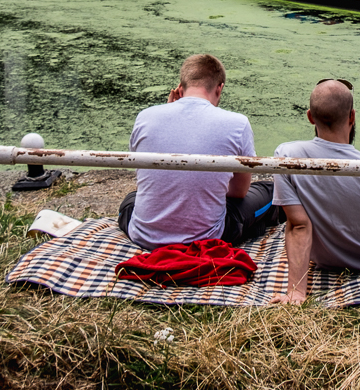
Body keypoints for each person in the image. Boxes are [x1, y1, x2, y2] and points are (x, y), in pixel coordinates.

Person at [270, 80, 360, 304]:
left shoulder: (286, 155)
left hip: (324, 260)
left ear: (310, 117)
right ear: (352, 117)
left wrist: (296, 292)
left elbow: (298, 225)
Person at [118, 53, 275, 249]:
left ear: (180, 88)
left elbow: (147, 175)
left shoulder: (145, 117)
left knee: (130, 201)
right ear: (219, 88)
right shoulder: (237, 123)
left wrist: (168, 110)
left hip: (143, 236)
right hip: (208, 238)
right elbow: (239, 192)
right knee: (270, 191)